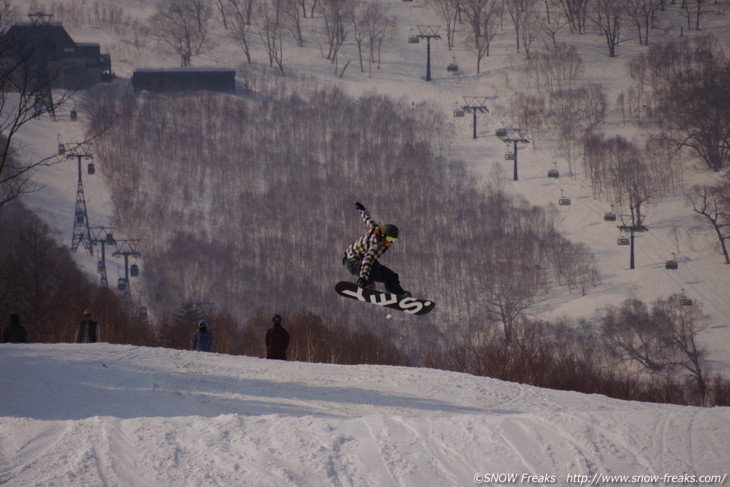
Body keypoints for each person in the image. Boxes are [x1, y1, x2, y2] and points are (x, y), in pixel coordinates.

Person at [342, 201, 410, 296]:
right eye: (390, 239)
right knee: (373, 266)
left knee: (391, 276)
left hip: (365, 263)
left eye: (394, 240)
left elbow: (368, 220)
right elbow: (368, 260)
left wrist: (362, 211)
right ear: (383, 236)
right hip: (353, 262)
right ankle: (367, 285)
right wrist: (363, 278)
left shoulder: (376, 228)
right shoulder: (375, 245)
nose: (391, 243)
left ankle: (399, 293)